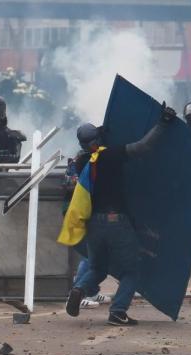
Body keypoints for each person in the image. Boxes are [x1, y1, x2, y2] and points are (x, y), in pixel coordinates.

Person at [63, 104, 178, 326]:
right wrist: (163, 123)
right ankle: (117, 312)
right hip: (117, 222)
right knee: (131, 270)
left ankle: (79, 289)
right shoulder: (112, 155)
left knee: (97, 268)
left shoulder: (81, 162)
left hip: (93, 226)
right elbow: (144, 147)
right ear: (99, 138)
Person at [65, 141, 110, 310]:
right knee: (90, 256)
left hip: (90, 212)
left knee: (94, 255)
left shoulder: (90, 159)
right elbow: (71, 185)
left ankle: (90, 290)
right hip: (83, 212)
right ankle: (76, 293)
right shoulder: (81, 161)